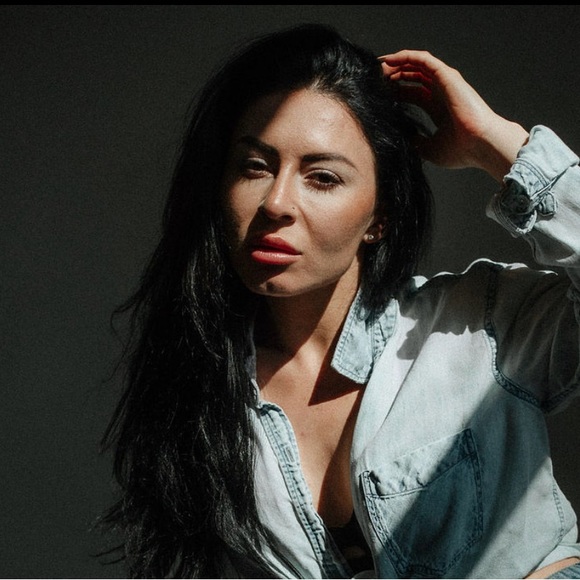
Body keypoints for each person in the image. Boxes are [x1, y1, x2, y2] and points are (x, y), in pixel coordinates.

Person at [99, 23, 580, 579]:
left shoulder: (480, 325)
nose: (276, 202)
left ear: (380, 217)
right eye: (254, 167)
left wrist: (495, 142)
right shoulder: (200, 390)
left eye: (322, 177)